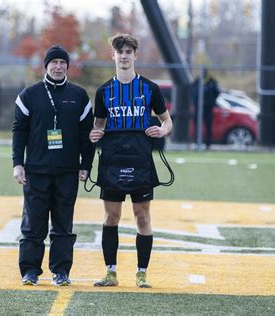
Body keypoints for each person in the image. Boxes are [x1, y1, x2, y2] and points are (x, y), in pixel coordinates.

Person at [89, 34, 173, 288]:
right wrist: (94, 134)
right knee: (111, 217)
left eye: (128, 51)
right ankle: (111, 272)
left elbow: (167, 121)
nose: (124, 55)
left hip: (141, 160)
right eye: (120, 51)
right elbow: (98, 126)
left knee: (142, 217)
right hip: (112, 160)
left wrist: (162, 130)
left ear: (136, 55)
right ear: (112, 55)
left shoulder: (150, 89)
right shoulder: (104, 91)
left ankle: (141, 273)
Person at [12, 45, 94, 286]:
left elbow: (86, 134)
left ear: (68, 66)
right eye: (54, 62)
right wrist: (18, 163)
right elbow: (19, 131)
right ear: (45, 66)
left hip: (67, 171)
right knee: (33, 224)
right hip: (36, 170)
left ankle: (61, 271)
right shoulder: (29, 95)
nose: (58, 67)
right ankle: (29, 271)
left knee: (63, 225)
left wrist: (85, 165)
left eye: (62, 62)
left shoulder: (79, 95)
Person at [191, 68, 220, 149]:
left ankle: (208, 144)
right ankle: (197, 143)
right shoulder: (197, 81)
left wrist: (211, 101)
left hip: (208, 107)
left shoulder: (212, 81)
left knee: (208, 126)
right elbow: (192, 92)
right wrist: (195, 101)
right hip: (198, 107)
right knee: (197, 125)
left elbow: (217, 92)